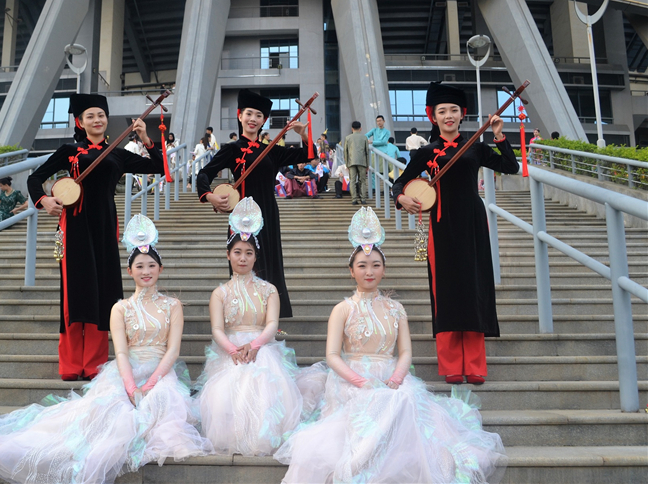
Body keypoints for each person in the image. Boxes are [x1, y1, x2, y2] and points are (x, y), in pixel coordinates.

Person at [0, 214, 213, 483]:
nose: (146, 271)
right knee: (108, 416)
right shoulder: (120, 308)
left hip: (161, 374)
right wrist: (131, 387)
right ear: (129, 271)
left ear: (161, 269)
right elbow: (121, 352)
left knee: (162, 407)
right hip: (127, 372)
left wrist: (150, 384)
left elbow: (173, 351)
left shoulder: (173, 305)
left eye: (151, 265)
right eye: (140, 266)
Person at [275, 207, 506, 483]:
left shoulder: (396, 309)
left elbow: (405, 352)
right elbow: (333, 355)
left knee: (403, 400)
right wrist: (360, 381)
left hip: (391, 377)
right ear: (351, 271)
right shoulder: (342, 309)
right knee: (376, 403)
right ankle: (359, 463)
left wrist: (397, 377)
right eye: (362, 265)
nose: (369, 271)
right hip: (350, 380)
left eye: (375, 265)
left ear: (384, 270)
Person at [27, 93, 166, 381]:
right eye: (90, 116)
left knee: (103, 292)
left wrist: (145, 138)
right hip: (74, 227)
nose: (97, 120)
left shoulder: (117, 152)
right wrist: (44, 200)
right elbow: (35, 178)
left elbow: (158, 166)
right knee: (75, 293)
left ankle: (94, 364)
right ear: (80, 122)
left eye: (101, 115)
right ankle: (70, 364)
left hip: (105, 227)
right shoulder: (69, 151)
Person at [392, 81, 519, 385]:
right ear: (433, 116)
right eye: (442, 111)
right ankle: (450, 364)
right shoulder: (425, 152)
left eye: (453, 110)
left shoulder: (476, 146)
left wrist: (499, 135)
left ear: (462, 114)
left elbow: (510, 166)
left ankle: (474, 365)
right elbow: (399, 182)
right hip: (441, 224)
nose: (448, 115)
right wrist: (402, 198)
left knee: (474, 287)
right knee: (446, 291)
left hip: (473, 222)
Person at [195, 198, 315, 455]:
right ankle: (236, 436)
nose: (243, 258)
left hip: (262, 348)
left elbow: (272, 324)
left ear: (256, 257)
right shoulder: (220, 293)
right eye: (237, 252)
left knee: (261, 377)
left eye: (249, 253)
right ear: (228, 255)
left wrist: (255, 345)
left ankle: (262, 437)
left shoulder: (269, 290)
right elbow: (217, 329)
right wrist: (233, 350)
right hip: (231, 350)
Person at [198, 89, 311, 319]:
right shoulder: (231, 149)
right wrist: (209, 196)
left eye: (259, 115)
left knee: (269, 264)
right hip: (241, 218)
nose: (253, 119)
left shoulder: (272, 150)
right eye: (249, 113)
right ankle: (242, 319)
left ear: (264, 121)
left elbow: (306, 156)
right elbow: (204, 174)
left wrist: (304, 135)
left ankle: (269, 320)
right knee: (242, 264)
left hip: (267, 215)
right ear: (240, 115)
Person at [343, 121, 368, 205]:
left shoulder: (348, 138)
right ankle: (363, 199)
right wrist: (367, 164)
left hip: (351, 161)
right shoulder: (364, 138)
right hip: (362, 161)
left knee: (352, 181)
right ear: (360, 128)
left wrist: (347, 163)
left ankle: (354, 199)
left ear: (352, 129)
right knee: (362, 180)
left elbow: (345, 152)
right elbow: (366, 152)